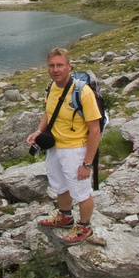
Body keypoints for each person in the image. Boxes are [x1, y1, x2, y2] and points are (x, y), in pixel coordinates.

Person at [26, 46, 101, 243]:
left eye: (60, 65)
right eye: (51, 66)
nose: (55, 69)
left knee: (81, 191)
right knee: (59, 185)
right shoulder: (52, 87)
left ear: (69, 66)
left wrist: (87, 163)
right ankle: (65, 216)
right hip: (55, 148)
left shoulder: (82, 92)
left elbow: (95, 130)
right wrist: (39, 130)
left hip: (76, 149)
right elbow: (48, 112)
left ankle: (85, 228)